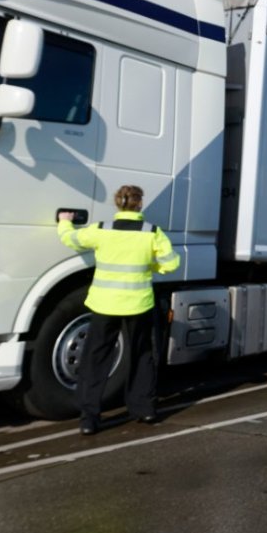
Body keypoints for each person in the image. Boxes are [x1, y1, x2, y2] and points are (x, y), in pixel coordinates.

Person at [57, 185, 180, 434]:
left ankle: (89, 419)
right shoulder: (151, 233)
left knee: (96, 358)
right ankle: (144, 409)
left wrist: (64, 222)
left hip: (104, 304)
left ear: (118, 204)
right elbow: (172, 263)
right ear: (139, 204)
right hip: (138, 303)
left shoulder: (102, 230)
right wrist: (150, 269)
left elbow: (72, 240)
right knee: (142, 354)